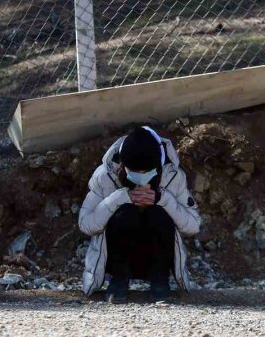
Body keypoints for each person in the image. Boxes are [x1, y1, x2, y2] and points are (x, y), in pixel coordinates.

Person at [78, 126, 200, 303]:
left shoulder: (173, 176)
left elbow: (193, 225)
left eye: (146, 172)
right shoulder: (105, 175)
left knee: (158, 214)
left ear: (157, 167)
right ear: (123, 165)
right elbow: (85, 223)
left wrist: (163, 199)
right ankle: (119, 279)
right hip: (117, 257)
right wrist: (119, 198)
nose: (141, 176)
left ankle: (159, 279)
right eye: (135, 171)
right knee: (125, 213)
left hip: (157, 255)